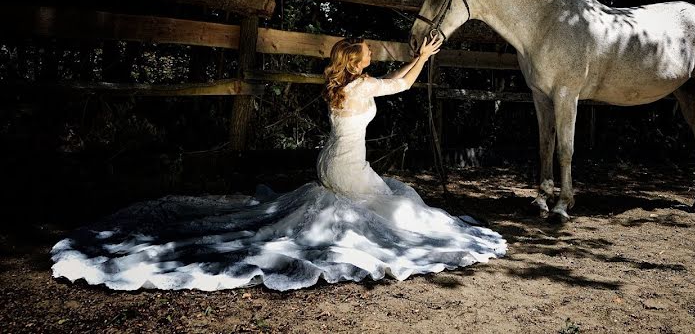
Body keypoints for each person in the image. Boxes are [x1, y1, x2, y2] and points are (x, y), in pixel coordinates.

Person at [51, 34, 506, 291]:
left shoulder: (341, 87)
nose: (371, 56)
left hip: (328, 163)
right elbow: (402, 85)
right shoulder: (363, 87)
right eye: (366, 54)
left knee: (368, 202)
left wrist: (416, 58)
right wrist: (423, 58)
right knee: (397, 212)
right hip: (346, 167)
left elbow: (393, 78)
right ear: (355, 62)